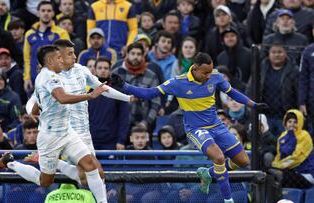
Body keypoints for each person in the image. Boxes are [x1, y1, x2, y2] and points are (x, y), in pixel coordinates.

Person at [111, 52, 269, 202]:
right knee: (219, 158)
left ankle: (208, 173)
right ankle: (228, 200)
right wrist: (124, 86)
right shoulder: (178, 82)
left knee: (242, 160)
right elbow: (149, 93)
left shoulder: (215, 77)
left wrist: (254, 105)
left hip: (217, 126)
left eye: (210, 71)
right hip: (197, 129)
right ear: (195, 67)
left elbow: (233, 92)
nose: (208, 76)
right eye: (205, 72)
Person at [0, 45, 108, 203]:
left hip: (67, 132)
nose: (62, 60)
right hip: (51, 138)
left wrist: (36, 109)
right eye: (59, 58)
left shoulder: (51, 75)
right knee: (45, 181)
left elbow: (36, 105)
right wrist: (90, 95)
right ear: (50, 61)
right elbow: (63, 98)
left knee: (91, 165)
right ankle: (10, 162)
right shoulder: (49, 77)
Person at [23, 1, 70, 92]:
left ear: (53, 13)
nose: (46, 13)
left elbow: (67, 56)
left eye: (49, 11)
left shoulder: (61, 33)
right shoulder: (29, 34)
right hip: (34, 80)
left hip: (55, 81)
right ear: (38, 13)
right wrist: (27, 78)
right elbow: (27, 59)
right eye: (43, 10)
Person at [88, 57, 130, 150]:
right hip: (90, 141)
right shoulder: (87, 93)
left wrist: (121, 140)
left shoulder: (118, 93)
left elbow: (124, 118)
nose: (103, 71)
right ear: (94, 70)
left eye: (106, 68)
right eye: (100, 68)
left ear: (110, 71)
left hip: (111, 142)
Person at [272, 109, 314, 189]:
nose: (292, 124)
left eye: (295, 122)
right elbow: (278, 156)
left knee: (282, 175)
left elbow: (296, 158)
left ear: (300, 122)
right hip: (288, 171)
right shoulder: (282, 137)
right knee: (269, 172)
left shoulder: (305, 136)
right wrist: (275, 165)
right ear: (285, 123)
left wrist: (279, 166)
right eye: (289, 121)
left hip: (306, 174)